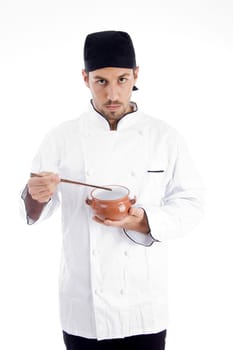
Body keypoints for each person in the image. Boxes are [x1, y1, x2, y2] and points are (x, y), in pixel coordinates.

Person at [21, 30, 204, 350]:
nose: (113, 94)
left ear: (136, 75)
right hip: (84, 303)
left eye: (121, 79)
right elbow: (32, 209)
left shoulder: (165, 136)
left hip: (144, 302)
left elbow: (191, 202)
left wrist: (142, 220)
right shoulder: (61, 137)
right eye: (101, 81)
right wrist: (39, 191)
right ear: (85, 78)